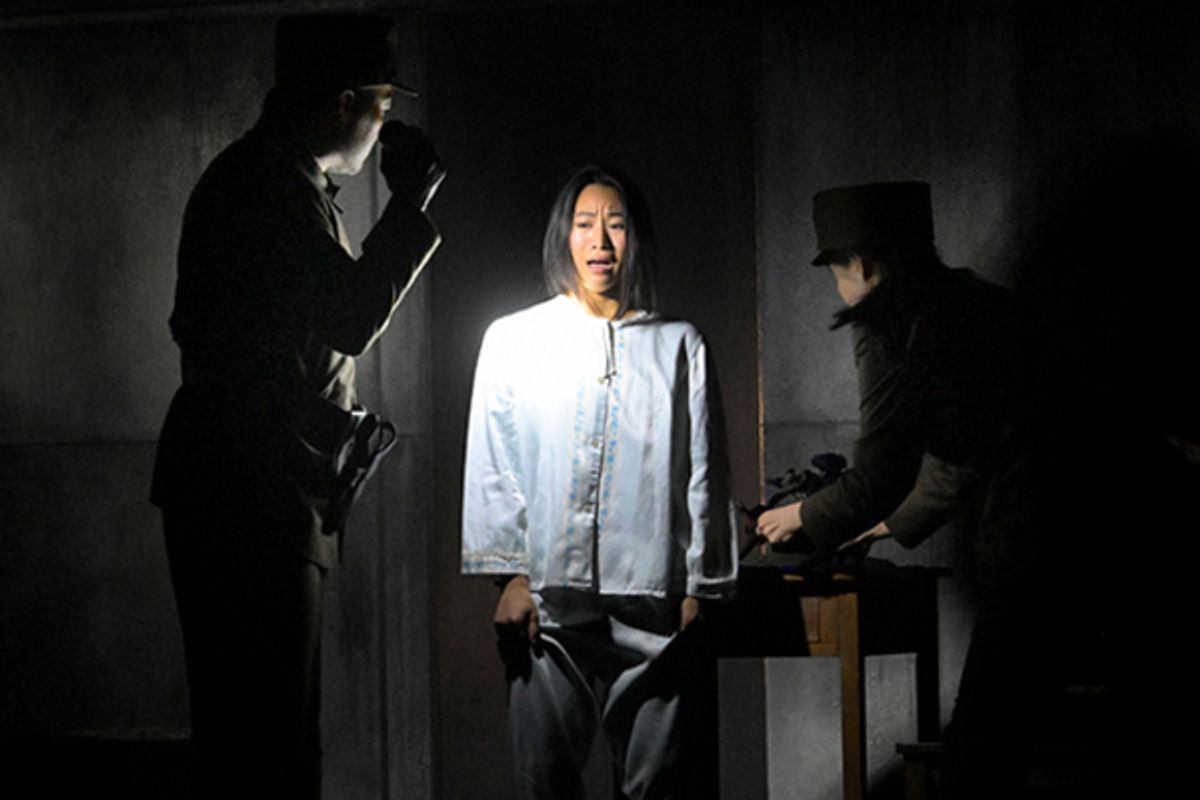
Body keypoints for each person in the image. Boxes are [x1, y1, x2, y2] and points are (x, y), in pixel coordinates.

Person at [150, 13, 443, 799]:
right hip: (254, 490)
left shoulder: (268, 180)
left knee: (255, 730)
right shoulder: (272, 187)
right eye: (381, 103)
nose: (384, 124)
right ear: (345, 100)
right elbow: (349, 316)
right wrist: (410, 204)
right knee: (270, 737)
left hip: (245, 483)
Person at [755, 182, 1064, 799]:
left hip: (1044, 540)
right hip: (1108, 520)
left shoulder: (889, 324)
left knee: (981, 750)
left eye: (836, 272)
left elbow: (881, 474)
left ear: (861, 265)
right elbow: (970, 452)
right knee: (993, 738)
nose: (839, 288)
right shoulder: (976, 302)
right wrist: (888, 525)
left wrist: (801, 516)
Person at [461, 166, 738, 800]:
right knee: (545, 776)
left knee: (659, 781)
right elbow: (495, 461)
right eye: (585, 224)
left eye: (616, 225)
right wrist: (510, 577)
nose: (601, 241)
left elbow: (705, 469)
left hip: (652, 592)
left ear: (637, 237)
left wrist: (701, 585)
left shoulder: (679, 346)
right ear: (564, 235)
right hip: (550, 597)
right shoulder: (515, 340)